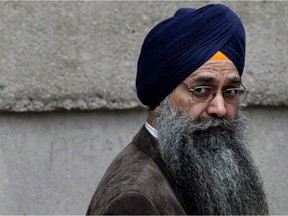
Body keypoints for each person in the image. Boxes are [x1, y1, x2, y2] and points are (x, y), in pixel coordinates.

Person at [86, 4, 269, 215]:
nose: (220, 108)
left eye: (230, 91)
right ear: (160, 97)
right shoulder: (133, 201)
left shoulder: (197, 169)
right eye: (201, 90)